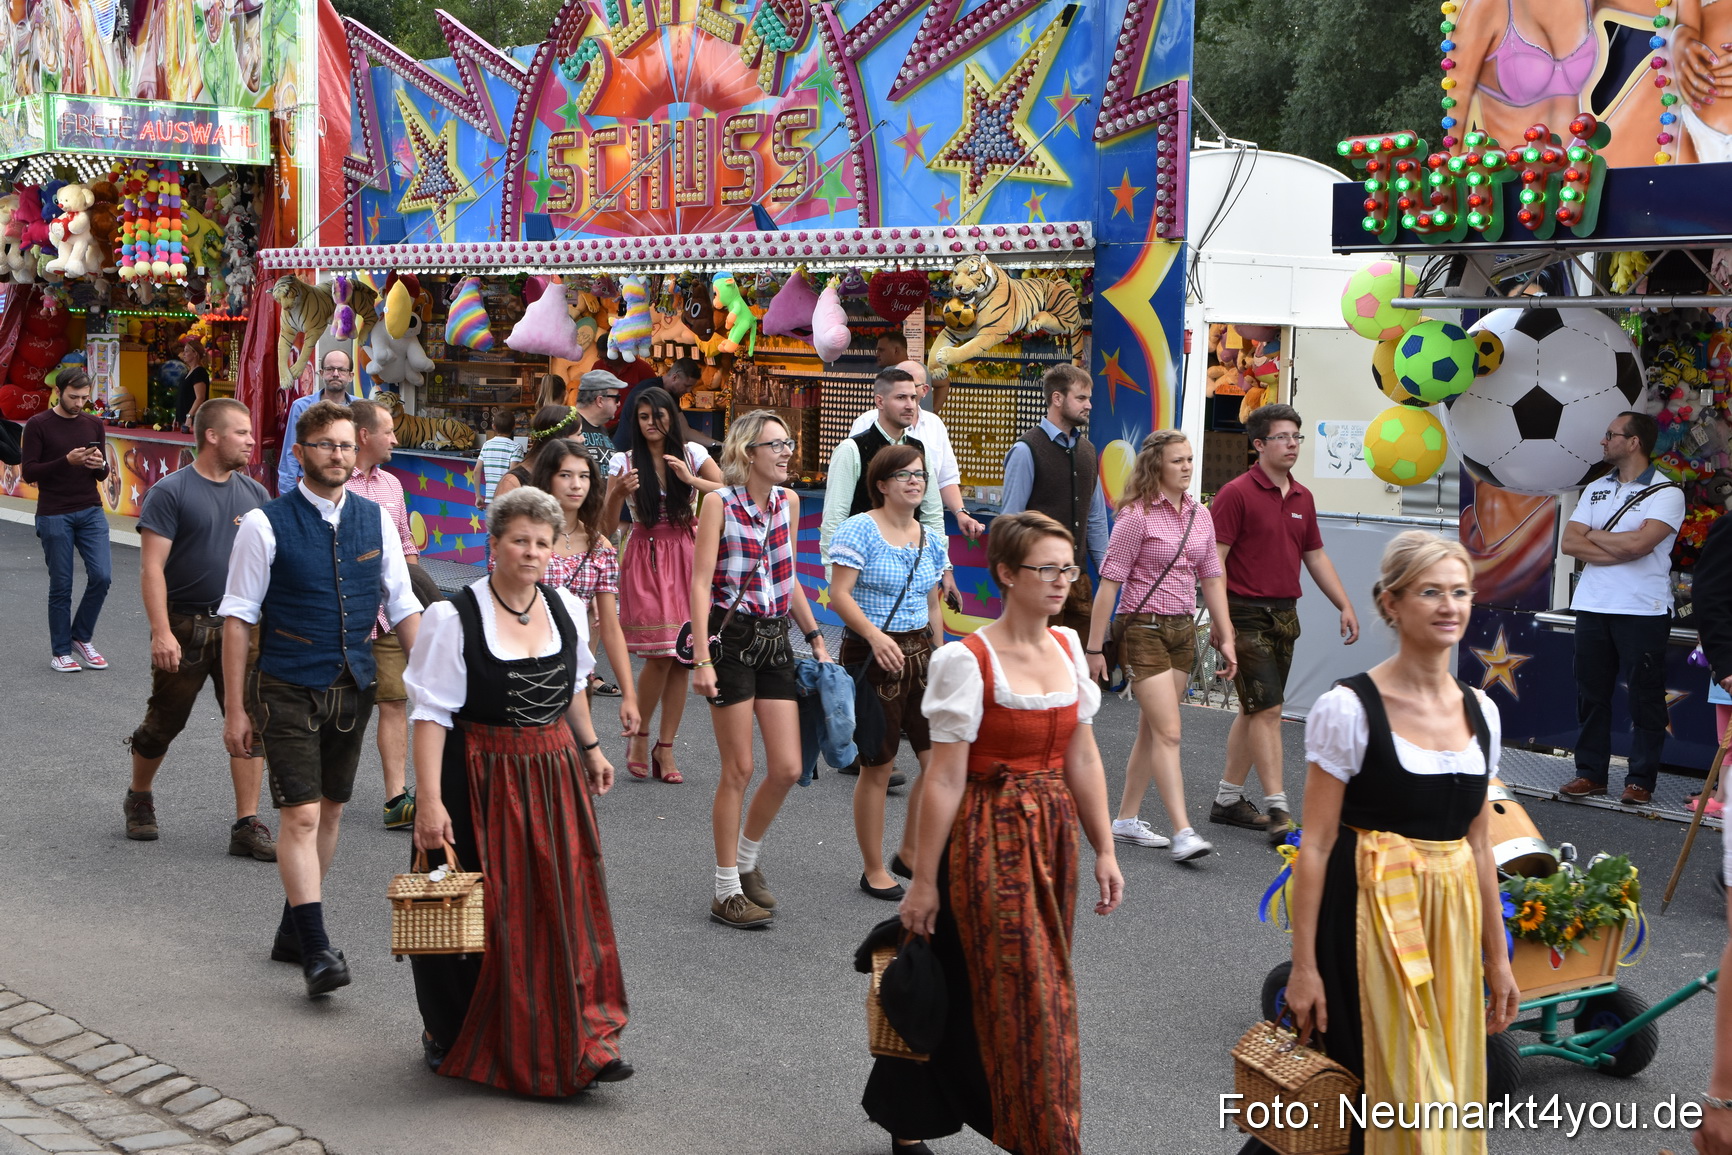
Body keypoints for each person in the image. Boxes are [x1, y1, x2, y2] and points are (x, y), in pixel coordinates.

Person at [868, 510, 1123, 1154]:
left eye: (1068, 567)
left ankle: (909, 1114)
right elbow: (945, 780)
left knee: (963, 975)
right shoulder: (967, 659)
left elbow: (1083, 757)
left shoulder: (1068, 648)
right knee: (1036, 994)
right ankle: (1045, 1136)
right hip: (987, 837)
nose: (1062, 580)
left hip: (1052, 836)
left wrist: (1106, 848)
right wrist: (922, 882)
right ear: (1006, 574)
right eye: (1046, 568)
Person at [1274, 532, 1520, 1155]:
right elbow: (1319, 846)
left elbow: (1480, 846)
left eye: (1460, 592)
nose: (1449, 606)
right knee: (1358, 1092)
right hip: (1364, 918)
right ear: (1391, 603)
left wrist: (1497, 958)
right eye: (1430, 592)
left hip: (1450, 925)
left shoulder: (1481, 712)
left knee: (1440, 1086)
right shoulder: (1348, 708)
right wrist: (1304, 969)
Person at [404, 486, 632, 1094]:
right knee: (464, 910)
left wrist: (590, 748)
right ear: (495, 543)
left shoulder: (563, 607)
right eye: (518, 540)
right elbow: (429, 715)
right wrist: (429, 802)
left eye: (541, 542)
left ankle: (579, 1034)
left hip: (550, 773)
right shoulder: (453, 616)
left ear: (554, 549)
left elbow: (575, 686)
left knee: (559, 905)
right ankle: (447, 1029)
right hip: (475, 774)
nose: (530, 552)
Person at [219, 399, 422, 999]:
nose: (337, 456)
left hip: (352, 685)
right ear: (301, 452)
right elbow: (237, 619)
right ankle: (315, 948)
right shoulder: (265, 522)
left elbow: (403, 602)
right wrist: (235, 709)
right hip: (285, 684)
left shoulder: (374, 518)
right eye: (325, 446)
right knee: (301, 814)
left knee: (330, 810)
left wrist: (439, 679)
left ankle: (291, 927)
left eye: (344, 446)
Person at [691, 410, 833, 928]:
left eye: (789, 443)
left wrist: (816, 637)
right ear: (749, 452)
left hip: (777, 642)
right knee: (739, 769)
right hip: (731, 643)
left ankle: (747, 861)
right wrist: (702, 659)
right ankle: (725, 888)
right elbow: (700, 582)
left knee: (790, 767)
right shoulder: (718, 504)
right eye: (777, 444)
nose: (787, 452)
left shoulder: (788, 504)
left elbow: (787, 576)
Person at [125, 398, 274, 858]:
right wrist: (160, 631)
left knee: (250, 717)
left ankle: (246, 823)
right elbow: (152, 568)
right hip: (185, 624)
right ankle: (139, 796)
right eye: (242, 432)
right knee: (165, 722)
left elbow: (272, 566)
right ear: (212, 436)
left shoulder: (256, 495)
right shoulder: (170, 492)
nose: (252, 440)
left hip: (243, 625)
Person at [1211, 403, 1359, 844]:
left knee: (1254, 709)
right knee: (1269, 710)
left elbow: (1315, 556)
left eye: (1297, 436)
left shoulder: (1303, 497)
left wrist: (1344, 604)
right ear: (1258, 445)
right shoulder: (1235, 493)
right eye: (1283, 437)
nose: (1293, 444)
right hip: (1243, 611)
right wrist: (1221, 625)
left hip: (1284, 614)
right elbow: (1213, 564)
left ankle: (1226, 799)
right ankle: (1279, 808)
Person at [1084, 431, 1236, 863]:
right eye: (1177, 461)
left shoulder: (1200, 516)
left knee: (1153, 729)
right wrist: (1096, 648)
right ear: (1156, 466)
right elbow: (1109, 585)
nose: (1187, 467)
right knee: (1169, 731)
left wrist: (1225, 635)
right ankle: (1183, 831)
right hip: (1143, 628)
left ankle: (1126, 820)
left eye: (1189, 459)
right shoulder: (1136, 517)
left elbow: (1212, 579)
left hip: (1184, 629)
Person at [829, 444, 949, 900]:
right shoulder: (859, 530)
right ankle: (874, 867)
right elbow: (839, 594)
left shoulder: (932, 538)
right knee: (878, 766)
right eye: (903, 475)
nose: (915, 481)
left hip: (921, 653)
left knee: (938, 762)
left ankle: (911, 851)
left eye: (920, 474)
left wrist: (943, 655)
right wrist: (876, 638)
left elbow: (933, 603)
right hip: (871, 654)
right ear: (881, 484)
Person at [1559, 410, 1685, 806]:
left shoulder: (1668, 492)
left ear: (1634, 443)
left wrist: (1596, 538)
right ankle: (1590, 774)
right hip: (1593, 606)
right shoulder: (1596, 488)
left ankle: (1640, 782)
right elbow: (1569, 543)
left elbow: (1639, 547)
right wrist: (1617, 542)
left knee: (1645, 698)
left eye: (1610, 434)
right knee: (1590, 694)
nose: (1603, 441)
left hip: (1643, 610)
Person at [605, 386, 724, 782]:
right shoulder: (623, 461)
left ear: (671, 417)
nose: (652, 424)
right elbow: (605, 528)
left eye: (658, 416)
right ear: (634, 423)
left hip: (688, 553)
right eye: (643, 417)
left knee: (683, 658)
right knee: (659, 655)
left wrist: (690, 478)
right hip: (646, 554)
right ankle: (640, 735)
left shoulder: (693, 455)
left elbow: (727, 492)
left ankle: (665, 747)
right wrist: (616, 496)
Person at [822, 367, 958, 609]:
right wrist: (836, 581)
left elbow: (933, 515)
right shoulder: (852, 449)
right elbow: (835, 519)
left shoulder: (919, 450)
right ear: (880, 401)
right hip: (865, 575)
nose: (910, 405)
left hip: (912, 569)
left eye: (913, 398)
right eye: (901, 398)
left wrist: (945, 568)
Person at [527, 437, 640, 727]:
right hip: (523, 671)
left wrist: (629, 694)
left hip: (575, 676)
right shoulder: (524, 537)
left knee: (573, 760)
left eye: (584, 476)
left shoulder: (599, 546)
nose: (576, 484)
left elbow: (611, 629)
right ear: (547, 479)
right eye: (565, 475)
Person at [347, 399, 421, 829]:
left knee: (394, 701)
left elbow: (407, 544)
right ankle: (319, 792)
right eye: (388, 431)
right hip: (347, 616)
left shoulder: (393, 484)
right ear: (364, 436)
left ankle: (396, 799)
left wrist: (415, 596)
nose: (395, 439)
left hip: (390, 614)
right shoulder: (333, 482)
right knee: (338, 705)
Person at [998, 365, 1109, 637]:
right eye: (1081, 398)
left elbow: (1094, 518)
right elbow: (1010, 522)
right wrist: (1012, 586)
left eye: (1089, 398)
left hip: (1077, 580)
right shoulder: (1026, 450)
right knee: (1034, 661)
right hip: (1036, 579)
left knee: (1078, 664)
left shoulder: (1087, 451)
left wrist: (1107, 571)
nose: (1089, 406)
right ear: (1057, 399)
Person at [21, 367, 113, 673]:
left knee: (102, 576)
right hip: (54, 512)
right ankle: (61, 651)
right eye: (74, 397)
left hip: (90, 509)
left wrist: (99, 465)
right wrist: (66, 461)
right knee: (61, 585)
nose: (80, 403)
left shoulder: (93, 423)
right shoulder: (38, 425)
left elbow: (101, 473)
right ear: (59, 392)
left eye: (85, 397)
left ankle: (81, 637)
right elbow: (29, 472)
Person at [848, 361, 985, 544]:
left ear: (924, 390)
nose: (908, 401)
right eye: (900, 394)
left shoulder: (934, 426)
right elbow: (840, 505)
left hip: (919, 535)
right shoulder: (864, 425)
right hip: (872, 535)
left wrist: (960, 513)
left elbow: (945, 479)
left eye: (911, 391)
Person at [278, 349, 352, 496]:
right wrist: (290, 500)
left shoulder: (360, 408)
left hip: (351, 490)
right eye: (330, 369)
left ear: (351, 376)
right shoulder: (301, 407)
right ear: (321, 372)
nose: (335, 374)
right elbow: (290, 456)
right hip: (310, 489)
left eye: (341, 370)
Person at [611, 357, 700, 450]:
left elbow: (685, 430)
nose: (689, 390)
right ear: (675, 377)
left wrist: (714, 443)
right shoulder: (650, 391)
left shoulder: (673, 394)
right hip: (628, 450)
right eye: (687, 385)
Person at [492, 404, 575, 501]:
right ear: (561, 438)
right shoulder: (513, 482)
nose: (583, 439)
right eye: (578, 434)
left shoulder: (572, 478)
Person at [572, 369, 624, 467]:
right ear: (600, 400)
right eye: (616, 398)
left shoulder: (601, 428)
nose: (619, 404)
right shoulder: (570, 426)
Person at [474, 410, 521, 508]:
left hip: (490, 501)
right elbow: (512, 474)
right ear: (514, 427)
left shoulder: (487, 445)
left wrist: (478, 496)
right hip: (508, 500)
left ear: (493, 426)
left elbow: (476, 471)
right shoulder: (516, 447)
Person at [173, 341, 211, 433]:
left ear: (195, 354)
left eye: (186, 351)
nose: (183, 354)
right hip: (184, 421)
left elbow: (200, 398)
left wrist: (190, 416)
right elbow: (183, 397)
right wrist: (177, 417)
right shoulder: (187, 373)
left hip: (193, 421)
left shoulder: (199, 372)